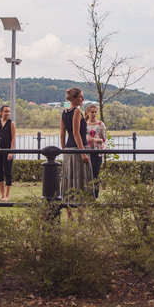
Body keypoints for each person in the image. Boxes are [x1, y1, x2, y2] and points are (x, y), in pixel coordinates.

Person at [60, 87, 95, 218]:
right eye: (81, 96)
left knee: (68, 180)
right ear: (74, 98)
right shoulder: (77, 111)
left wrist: (64, 150)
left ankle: (69, 214)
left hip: (68, 150)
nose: (83, 99)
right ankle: (81, 214)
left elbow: (62, 135)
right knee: (81, 180)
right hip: (79, 149)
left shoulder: (64, 112)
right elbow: (76, 133)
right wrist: (83, 153)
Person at [0, 104, 16, 201]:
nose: (7, 113)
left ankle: (7, 195)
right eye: (6, 111)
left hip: (7, 150)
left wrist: (11, 152)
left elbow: (13, 138)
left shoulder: (11, 123)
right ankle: (2, 195)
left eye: (9, 111)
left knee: (7, 172)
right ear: (1, 112)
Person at [84, 105, 107, 196]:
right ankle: (86, 194)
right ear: (87, 112)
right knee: (86, 174)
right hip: (86, 151)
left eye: (95, 112)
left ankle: (95, 195)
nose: (94, 114)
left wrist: (95, 140)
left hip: (97, 152)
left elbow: (104, 139)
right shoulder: (84, 124)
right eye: (92, 112)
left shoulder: (100, 124)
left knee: (95, 174)